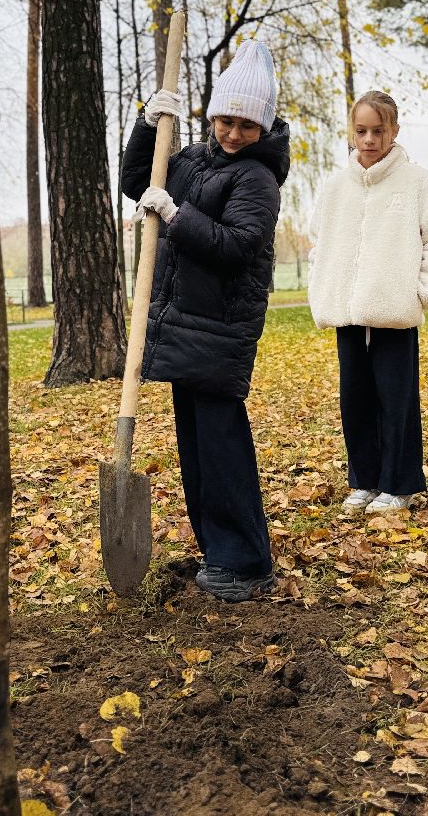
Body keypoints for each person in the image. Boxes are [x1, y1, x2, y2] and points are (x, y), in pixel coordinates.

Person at [120, 40, 289, 603]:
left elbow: (236, 245)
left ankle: (246, 561)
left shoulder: (258, 181)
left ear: (262, 128)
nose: (233, 133)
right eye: (225, 119)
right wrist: (149, 125)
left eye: (246, 124)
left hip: (218, 333)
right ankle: (220, 552)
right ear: (211, 113)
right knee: (197, 451)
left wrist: (175, 214)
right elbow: (137, 177)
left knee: (222, 451)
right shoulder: (190, 159)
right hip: (183, 328)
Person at [307, 91, 428, 515]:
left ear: (394, 131)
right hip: (346, 312)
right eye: (361, 131)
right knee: (353, 397)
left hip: (395, 311)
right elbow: (319, 244)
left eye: (378, 130)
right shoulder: (336, 187)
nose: (369, 139)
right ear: (351, 132)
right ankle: (364, 480)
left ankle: (398, 483)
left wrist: (419, 293)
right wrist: (324, 288)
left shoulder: (416, 182)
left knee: (396, 397)